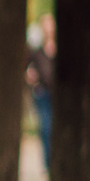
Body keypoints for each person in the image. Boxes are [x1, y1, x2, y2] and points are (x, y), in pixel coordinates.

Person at [26, 15, 55, 172]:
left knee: (55, 128)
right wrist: (30, 76)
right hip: (42, 94)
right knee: (46, 128)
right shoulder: (37, 51)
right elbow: (27, 68)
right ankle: (48, 162)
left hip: (58, 95)